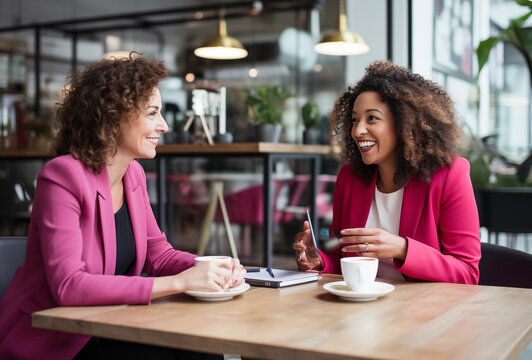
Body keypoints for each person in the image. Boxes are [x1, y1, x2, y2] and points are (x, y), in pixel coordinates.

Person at [0, 53, 245, 359]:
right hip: (57, 339)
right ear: (114, 115)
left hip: (109, 324)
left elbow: (161, 256)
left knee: (203, 345)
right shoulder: (62, 176)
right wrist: (182, 282)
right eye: (153, 113)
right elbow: (69, 286)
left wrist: (211, 267)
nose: (165, 125)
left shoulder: (133, 174)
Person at [293, 60, 480, 284]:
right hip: (363, 309)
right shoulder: (349, 178)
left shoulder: (450, 175)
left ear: (404, 123)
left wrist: (402, 249)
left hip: (424, 311)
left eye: (372, 118)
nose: (358, 130)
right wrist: (319, 262)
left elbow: (467, 274)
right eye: (354, 120)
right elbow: (342, 259)